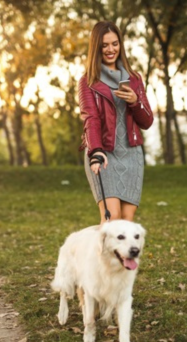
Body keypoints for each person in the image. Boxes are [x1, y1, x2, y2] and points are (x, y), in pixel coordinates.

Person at [78, 21, 154, 224]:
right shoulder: (88, 81)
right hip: (104, 153)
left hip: (131, 155)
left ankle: (122, 258)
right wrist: (96, 151)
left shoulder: (135, 79)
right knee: (111, 218)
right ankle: (98, 257)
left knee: (127, 222)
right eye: (104, 45)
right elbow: (90, 119)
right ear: (96, 48)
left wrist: (135, 102)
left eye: (115, 43)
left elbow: (147, 121)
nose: (111, 49)